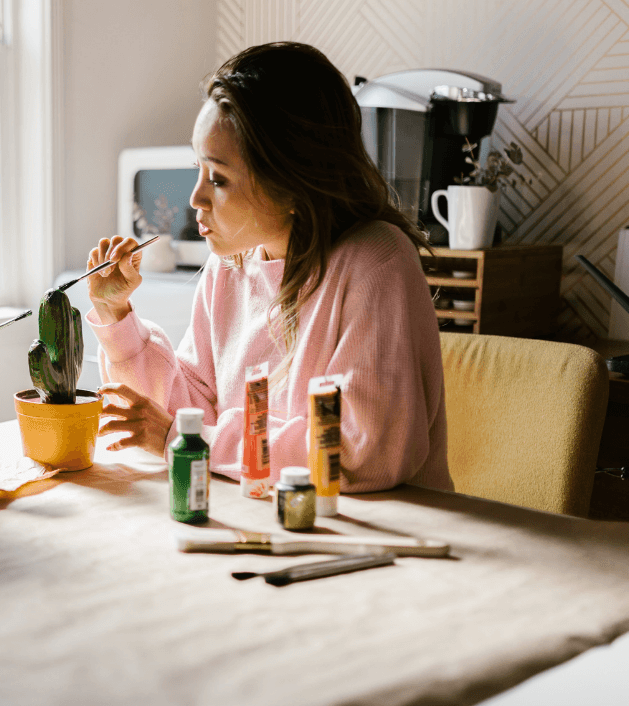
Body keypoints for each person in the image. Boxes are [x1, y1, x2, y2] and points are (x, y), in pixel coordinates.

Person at [87, 42, 452, 494]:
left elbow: (362, 451)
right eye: (197, 169)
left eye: (218, 178)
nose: (195, 199)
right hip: (263, 519)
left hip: (381, 538)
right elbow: (190, 408)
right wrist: (118, 317)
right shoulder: (232, 263)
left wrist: (192, 441)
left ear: (291, 181)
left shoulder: (376, 262)